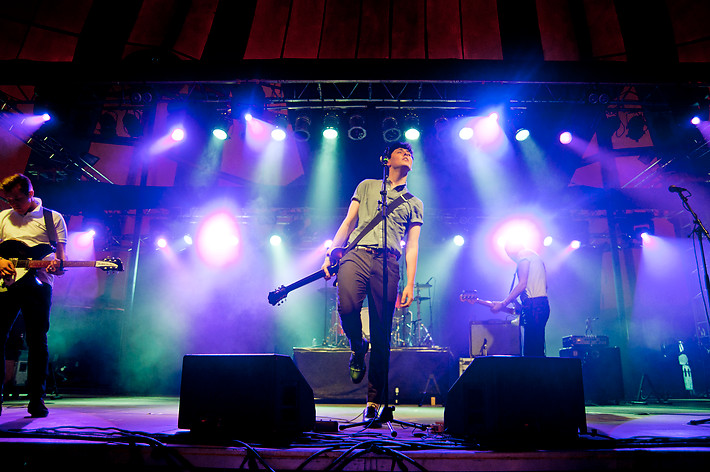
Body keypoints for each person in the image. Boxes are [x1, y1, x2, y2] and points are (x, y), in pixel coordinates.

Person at [322, 142, 423, 420]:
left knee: (382, 336)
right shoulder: (366, 185)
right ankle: (357, 345)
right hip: (357, 253)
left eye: (410, 153)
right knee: (347, 307)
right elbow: (348, 222)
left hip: (388, 262)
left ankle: (374, 403)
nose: (407, 154)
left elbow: (412, 246)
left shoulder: (414, 203)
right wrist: (331, 253)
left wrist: (410, 283)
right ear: (386, 159)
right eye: (401, 151)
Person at [0, 174, 67, 417]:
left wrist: (56, 266)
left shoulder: (52, 218)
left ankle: (36, 400)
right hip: (6, 284)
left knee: (37, 341)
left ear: (30, 193)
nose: (13, 204)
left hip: (39, 285)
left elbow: (61, 262)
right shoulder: (3, 218)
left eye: (17, 198)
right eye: (8, 200)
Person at [491, 241, 549, 357]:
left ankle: (534, 374)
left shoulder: (523, 257)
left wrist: (504, 303)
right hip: (541, 305)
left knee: (531, 353)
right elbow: (544, 286)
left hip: (534, 307)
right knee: (537, 350)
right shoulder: (535, 257)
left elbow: (522, 284)